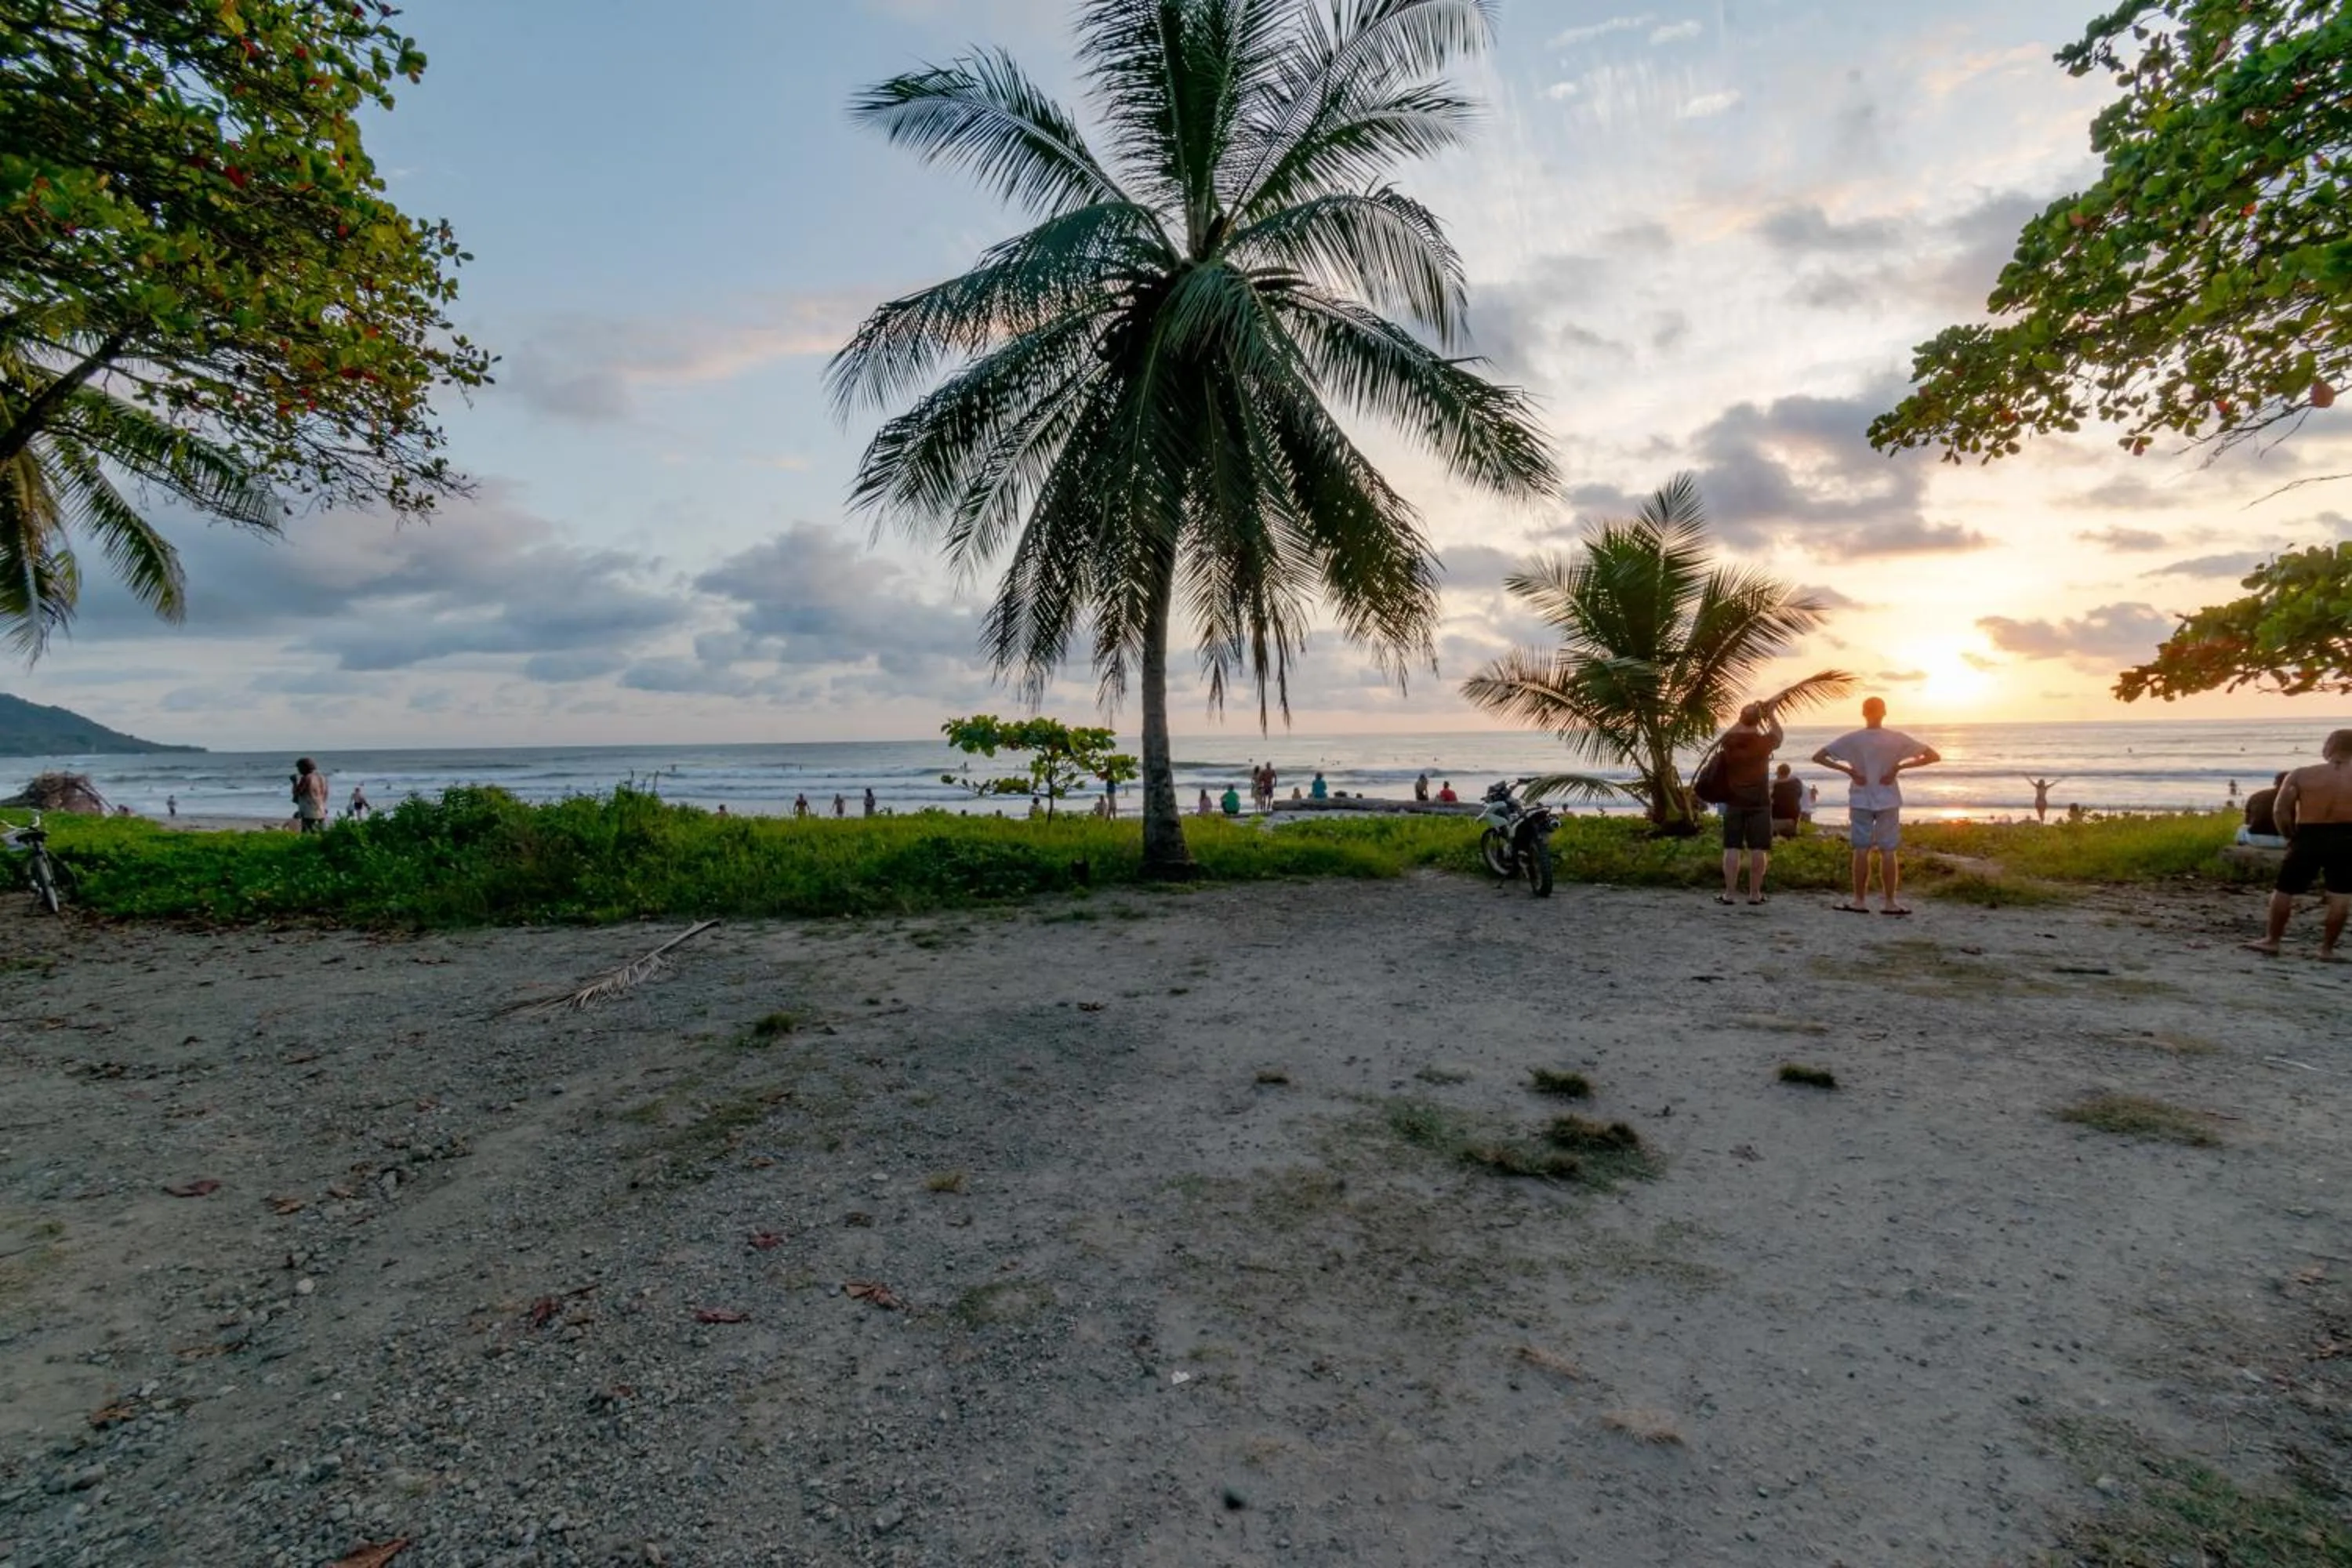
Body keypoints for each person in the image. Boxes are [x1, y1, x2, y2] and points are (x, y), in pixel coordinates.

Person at [1813, 698, 1941, 916]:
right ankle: (1890, 903)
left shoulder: (1852, 739)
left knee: (1861, 850)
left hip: (1861, 798)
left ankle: (1859, 901)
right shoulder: (1896, 739)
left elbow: (1819, 757)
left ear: (1864, 712)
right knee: (1888, 851)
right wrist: (1899, 767)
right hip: (1888, 798)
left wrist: (1851, 772)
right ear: (1884, 712)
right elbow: (1933, 756)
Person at [2245, 731, 2352, 960]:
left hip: (2309, 834)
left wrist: (2289, 835)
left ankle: (2272, 941)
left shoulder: (2301, 775)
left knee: (2284, 889)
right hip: (2347, 837)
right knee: (2341, 894)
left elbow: (2280, 810)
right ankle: (2326, 950)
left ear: (2330, 747)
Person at [1715, 702, 1784, 905]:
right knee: (1757, 848)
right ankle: (1755, 895)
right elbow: (1779, 734)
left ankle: (1729, 894)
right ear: (1759, 721)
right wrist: (1770, 715)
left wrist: (1744, 717)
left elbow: (1728, 734)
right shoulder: (1764, 742)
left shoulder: (1730, 740)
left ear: (1740, 719)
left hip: (1734, 800)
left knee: (1731, 847)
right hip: (1759, 802)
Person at [2240, 771, 2289, 848]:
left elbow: (2247, 821)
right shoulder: (2296, 797)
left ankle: (2240, 847)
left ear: (2275, 783)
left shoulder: (2257, 796)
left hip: (2256, 840)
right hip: (2286, 841)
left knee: (2242, 828)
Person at [291, 757, 330, 834]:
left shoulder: (306, 778)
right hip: (320, 808)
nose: (298, 770)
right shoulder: (322, 777)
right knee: (321, 831)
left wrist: (294, 782)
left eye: (299, 768)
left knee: (307, 831)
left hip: (308, 810)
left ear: (304, 768)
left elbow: (297, 792)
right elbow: (326, 793)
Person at [1769, 763, 1804, 840]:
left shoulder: (1774, 785)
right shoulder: (1797, 782)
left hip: (1777, 821)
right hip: (1794, 821)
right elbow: (1799, 795)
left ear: (1778, 773)